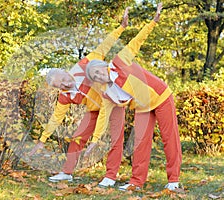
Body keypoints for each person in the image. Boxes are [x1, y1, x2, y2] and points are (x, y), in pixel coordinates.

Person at [84, 2, 183, 191]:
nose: (98, 76)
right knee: (140, 143)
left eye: (98, 71)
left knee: (169, 137)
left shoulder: (119, 61)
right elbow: (103, 117)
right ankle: (136, 182)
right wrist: (95, 141)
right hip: (143, 107)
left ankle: (174, 180)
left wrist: (153, 22)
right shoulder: (107, 93)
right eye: (94, 77)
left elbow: (137, 41)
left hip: (161, 96)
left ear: (103, 66)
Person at [28, 7, 130, 188]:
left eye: (65, 80)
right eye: (60, 85)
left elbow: (104, 46)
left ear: (67, 72)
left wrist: (121, 28)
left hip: (112, 103)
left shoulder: (83, 66)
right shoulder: (64, 96)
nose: (66, 84)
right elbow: (55, 118)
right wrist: (41, 141)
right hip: (94, 111)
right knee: (77, 138)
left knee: (115, 138)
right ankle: (66, 173)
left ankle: (110, 176)